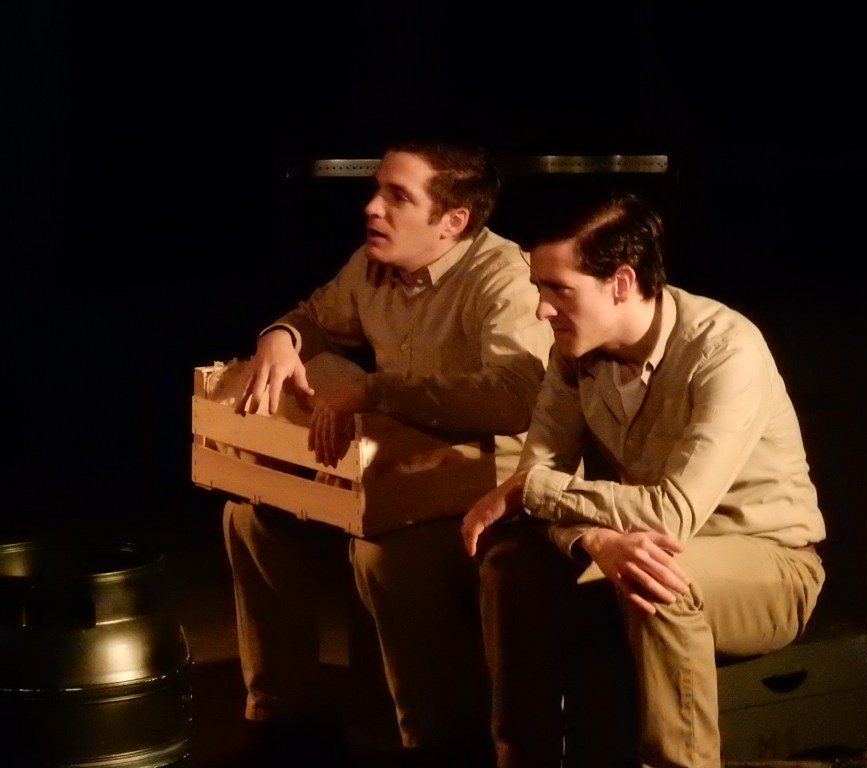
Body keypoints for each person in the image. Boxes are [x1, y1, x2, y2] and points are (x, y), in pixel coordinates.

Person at [462, 191, 827, 768]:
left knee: (657, 577)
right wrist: (593, 539)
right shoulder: (573, 354)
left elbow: (669, 512)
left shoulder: (724, 349)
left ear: (622, 282)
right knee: (510, 563)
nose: (542, 310)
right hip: (639, 540)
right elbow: (537, 488)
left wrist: (536, 491)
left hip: (768, 563)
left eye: (559, 290)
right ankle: (521, 755)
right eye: (538, 288)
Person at [222, 138, 553, 766]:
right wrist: (282, 335)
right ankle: (285, 717)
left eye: (398, 197)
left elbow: (515, 399)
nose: (372, 207)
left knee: (385, 554)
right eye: (377, 190)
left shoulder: (503, 277)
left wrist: (379, 391)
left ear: (452, 221)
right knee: (252, 514)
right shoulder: (373, 264)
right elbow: (315, 317)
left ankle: (430, 742)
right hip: (393, 463)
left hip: (477, 477)